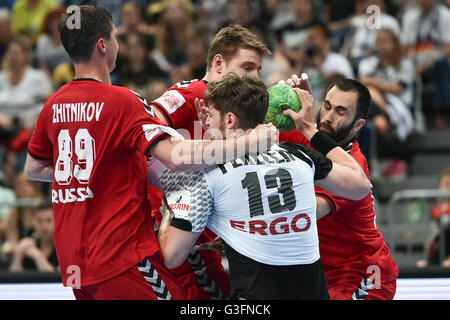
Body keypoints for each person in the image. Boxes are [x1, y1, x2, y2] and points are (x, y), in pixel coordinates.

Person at [24, 5, 276, 300]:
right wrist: (250, 142)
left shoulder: (53, 104)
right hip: (120, 254)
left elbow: (33, 168)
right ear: (103, 45)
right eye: (116, 36)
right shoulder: (123, 101)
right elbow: (174, 157)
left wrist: (95, 170)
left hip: (75, 263)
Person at [154, 73, 370, 300]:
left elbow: (172, 256)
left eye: (211, 115)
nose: (205, 121)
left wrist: (171, 208)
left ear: (229, 120)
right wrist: (309, 129)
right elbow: (361, 184)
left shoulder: (206, 178)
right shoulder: (300, 154)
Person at [149, 23, 272, 300]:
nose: (255, 76)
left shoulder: (243, 108)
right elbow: (146, 129)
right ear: (218, 63)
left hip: (210, 226)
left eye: (258, 71)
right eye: (248, 67)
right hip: (174, 221)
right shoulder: (190, 94)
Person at [280, 77, 399, 300]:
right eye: (326, 105)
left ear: (358, 125)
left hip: (364, 274)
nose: (327, 116)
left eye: (340, 111)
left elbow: (308, 212)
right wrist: (280, 100)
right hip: (321, 272)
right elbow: (254, 132)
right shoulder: (303, 135)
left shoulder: (352, 163)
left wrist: (245, 227)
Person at [9, 202, 58, 272]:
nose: (44, 226)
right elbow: (13, 278)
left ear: (56, 221)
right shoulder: (29, 245)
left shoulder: (63, 248)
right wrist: (19, 253)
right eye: (39, 221)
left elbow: (56, 279)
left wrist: (37, 256)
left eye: (48, 220)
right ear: (34, 222)